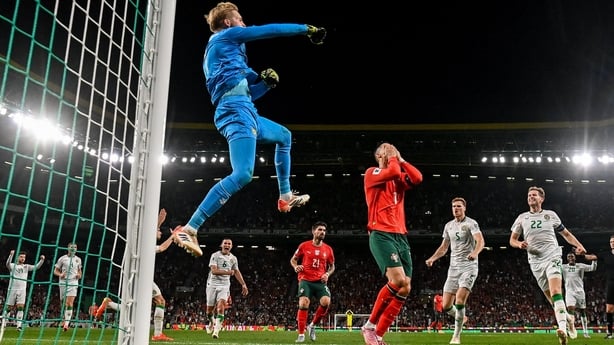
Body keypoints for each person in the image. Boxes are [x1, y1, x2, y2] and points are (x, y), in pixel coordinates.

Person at [171, 1, 327, 257]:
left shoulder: (230, 56)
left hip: (245, 110)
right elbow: (269, 30)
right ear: (229, 22)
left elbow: (248, 92)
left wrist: (266, 84)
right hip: (233, 111)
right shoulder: (225, 36)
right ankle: (190, 227)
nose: (244, 23)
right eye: (240, 19)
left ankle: (285, 195)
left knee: (284, 136)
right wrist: (306, 29)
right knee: (243, 174)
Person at [361, 142, 423, 345]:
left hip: (400, 236)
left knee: (406, 287)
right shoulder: (372, 173)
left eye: (393, 148)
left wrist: (402, 159)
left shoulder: (397, 179)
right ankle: (369, 326)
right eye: (386, 148)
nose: (391, 150)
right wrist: (394, 159)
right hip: (381, 234)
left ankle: (378, 335)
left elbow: (417, 178)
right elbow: (394, 169)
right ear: (379, 155)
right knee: (397, 281)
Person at [509, 186, 588, 345]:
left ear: (541, 199)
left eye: (534, 195)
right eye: (529, 195)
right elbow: (512, 240)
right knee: (552, 299)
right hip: (535, 261)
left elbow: (566, 234)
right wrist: (519, 244)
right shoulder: (522, 218)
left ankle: (563, 330)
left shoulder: (550, 215)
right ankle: (569, 319)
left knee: (556, 291)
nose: (531, 197)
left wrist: (579, 246)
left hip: (553, 255)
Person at [95, 208, 175, 341]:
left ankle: (109, 304)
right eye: (159, 231)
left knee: (134, 307)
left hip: (138, 276)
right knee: (158, 301)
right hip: (141, 277)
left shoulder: (146, 245)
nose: (160, 232)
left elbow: (161, 247)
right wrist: (159, 223)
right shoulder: (144, 243)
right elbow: (159, 244)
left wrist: (170, 235)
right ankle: (157, 334)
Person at [426, 197, 485, 344]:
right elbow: (444, 247)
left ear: (464, 208)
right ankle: (462, 317)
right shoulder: (449, 226)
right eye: (453, 206)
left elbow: (481, 241)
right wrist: (433, 258)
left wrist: (475, 253)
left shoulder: (471, 223)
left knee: (459, 300)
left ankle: (456, 336)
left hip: (469, 267)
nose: (456, 208)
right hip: (453, 269)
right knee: (445, 306)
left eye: (458, 206)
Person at [290, 221, 335, 343]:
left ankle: (312, 325)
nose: (322, 232)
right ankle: (301, 334)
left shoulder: (328, 249)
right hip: (305, 280)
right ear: (313, 231)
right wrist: (295, 267)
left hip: (320, 281)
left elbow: (332, 267)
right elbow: (293, 260)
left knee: (326, 301)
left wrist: (327, 274)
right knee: (304, 303)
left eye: (324, 230)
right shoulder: (304, 246)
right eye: (320, 229)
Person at [205, 237, 248, 339]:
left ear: (231, 246)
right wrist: (229, 272)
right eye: (225, 243)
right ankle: (211, 322)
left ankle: (216, 332)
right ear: (221, 245)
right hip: (212, 284)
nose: (227, 245)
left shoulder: (233, 259)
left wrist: (243, 284)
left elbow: (236, 271)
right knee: (209, 311)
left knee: (220, 307)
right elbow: (214, 271)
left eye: (229, 244)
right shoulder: (215, 256)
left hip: (224, 285)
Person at [581, 236, 614, 339]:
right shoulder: (606, 254)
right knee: (609, 309)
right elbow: (591, 257)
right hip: (611, 284)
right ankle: (609, 332)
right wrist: (582, 253)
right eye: (611, 242)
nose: (612, 243)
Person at [5, 250, 45, 330]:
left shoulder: (26, 266)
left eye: (24, 257)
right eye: (21, 257)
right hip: (12, 289)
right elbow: (7, 264)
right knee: (9, 308)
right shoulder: (13, 266)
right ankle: (4, 322)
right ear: (17, 257)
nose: (23, 258)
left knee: (21, 307)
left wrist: (42, 260)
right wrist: (11, 255)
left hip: (22, 290)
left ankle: (19, 325)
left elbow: (36, 267)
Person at [561, 252, 597, 338]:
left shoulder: (580, 266)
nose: (570, 258)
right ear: (567, 258)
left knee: (582, 311)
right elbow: (554, 268)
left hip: (580, 292)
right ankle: (571, 330)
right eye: (569, 256)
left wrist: (594, 260)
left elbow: (593, 268)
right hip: (569, 292)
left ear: (575, 258)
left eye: (572, 256)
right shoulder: (563, 267)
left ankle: (585, 332)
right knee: (570, 310)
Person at [53, 242, 82, 331]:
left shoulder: (78, 259)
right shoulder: (62, 259)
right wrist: (60, 274)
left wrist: (79, 275)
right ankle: (64, 318)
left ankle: (66, 324)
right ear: (68, 248)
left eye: (75, 247)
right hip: (62, 282)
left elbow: (80, 271)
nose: (73, 249)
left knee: (69, 303)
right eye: (71, 247)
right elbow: (55, 271)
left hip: (73, 282)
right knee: (63, 302)